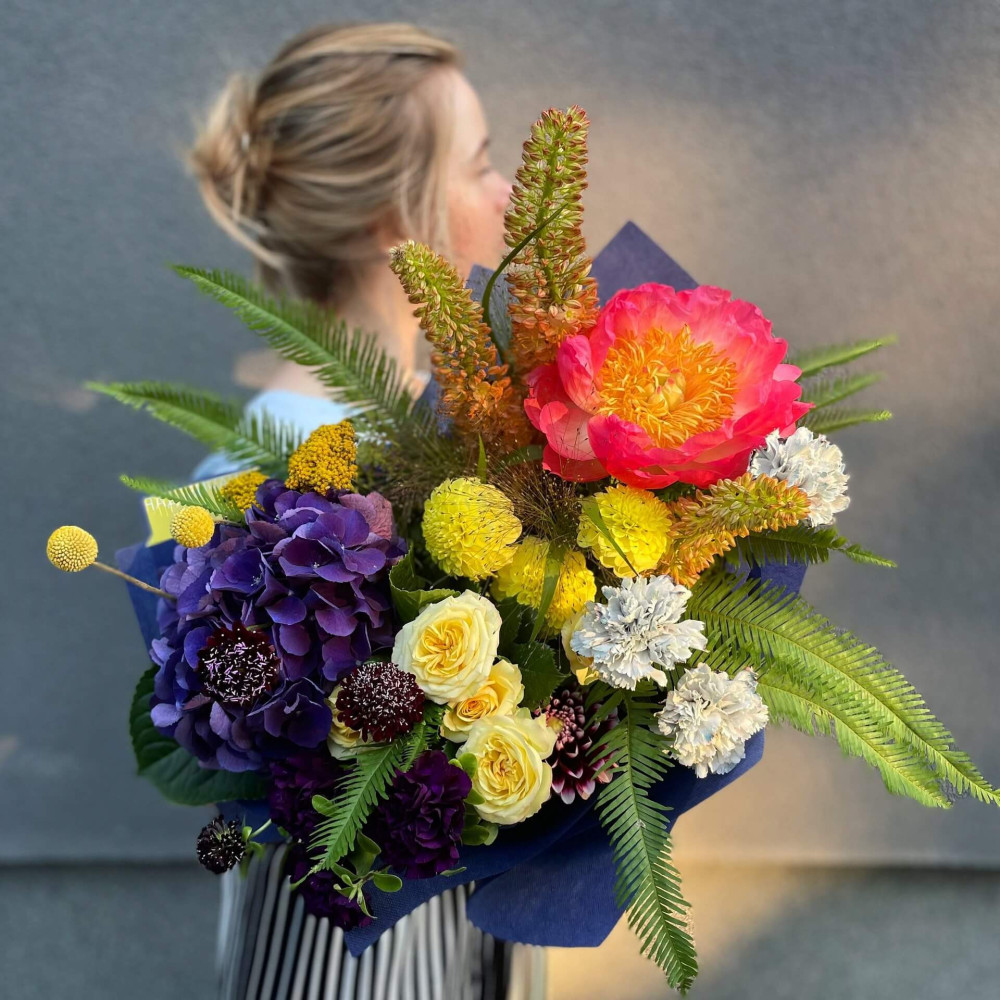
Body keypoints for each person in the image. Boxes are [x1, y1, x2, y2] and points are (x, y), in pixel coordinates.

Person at [187, 21, 545, 1000]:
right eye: (479, 165)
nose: (505, 195)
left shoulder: (417, 424)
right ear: (395, 217)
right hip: (356, 947)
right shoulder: (306, 472)